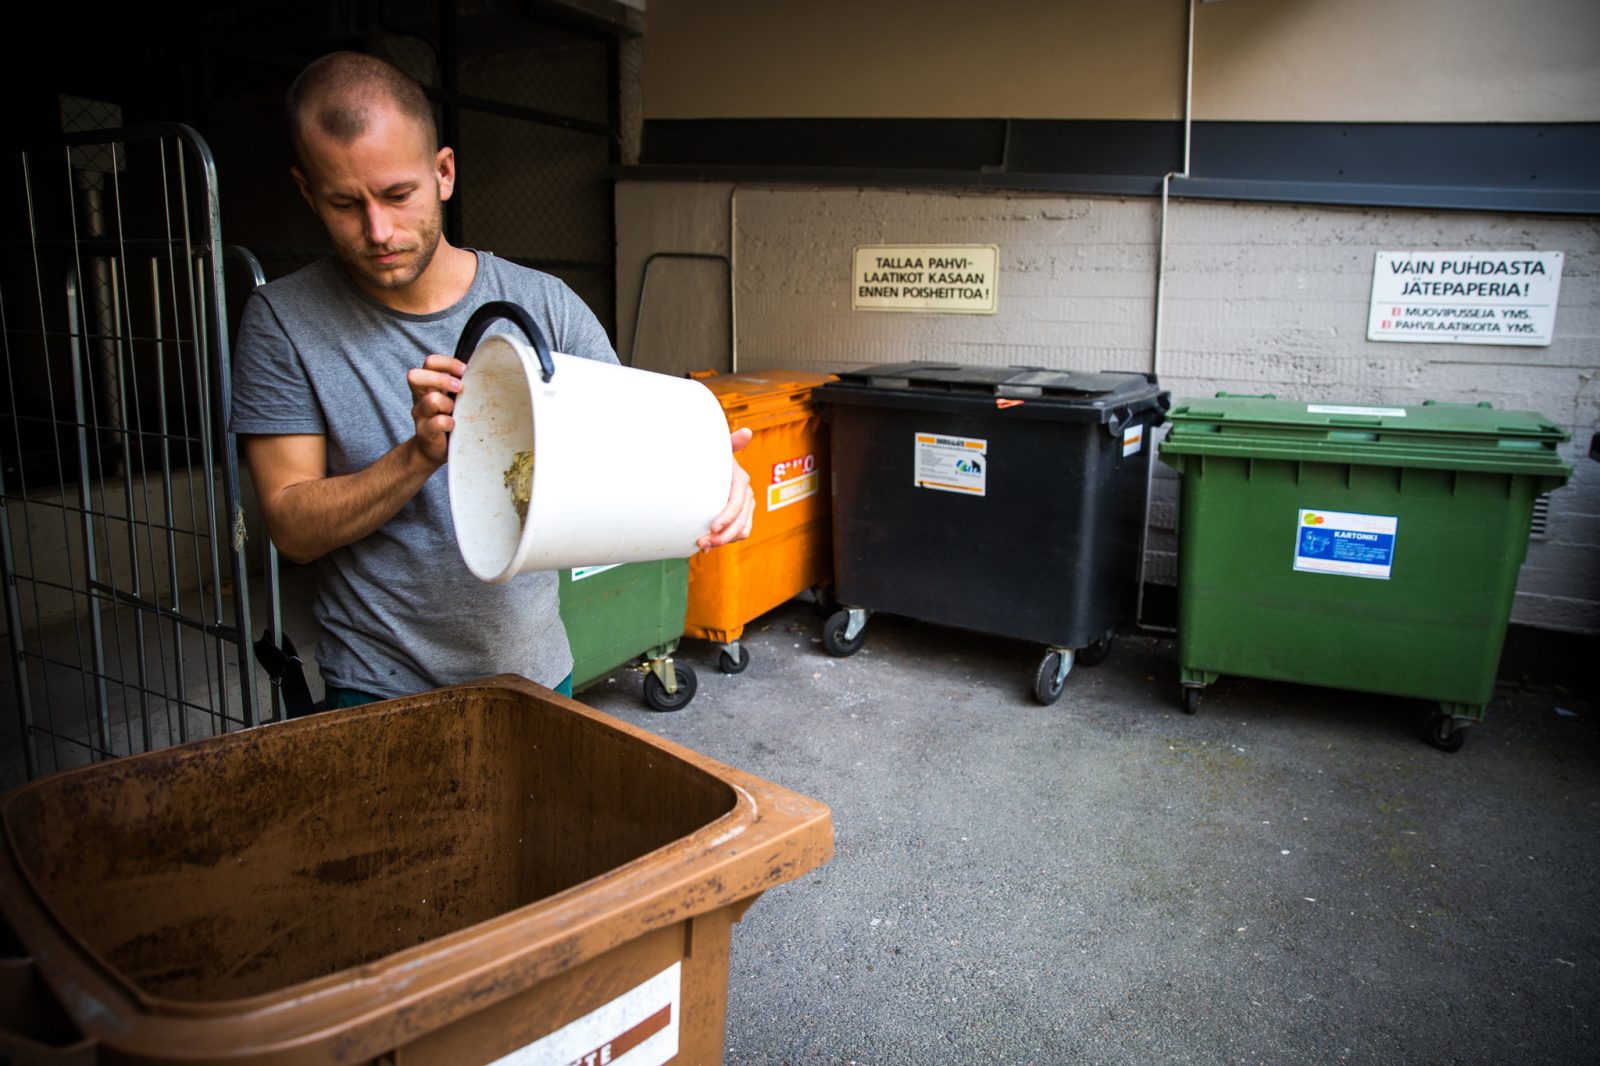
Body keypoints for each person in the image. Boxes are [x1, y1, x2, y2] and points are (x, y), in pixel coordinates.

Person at [230, 51, 753, 709]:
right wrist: (418, 456)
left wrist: (717, 481)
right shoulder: (283, 322)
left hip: (535, 672)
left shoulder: (545, 304)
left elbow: (628, 453)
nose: (378, 230)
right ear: (307, 192)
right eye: (344, 203)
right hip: (374, 687)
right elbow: (292, 528)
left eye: (398, 195)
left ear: (444, 173)